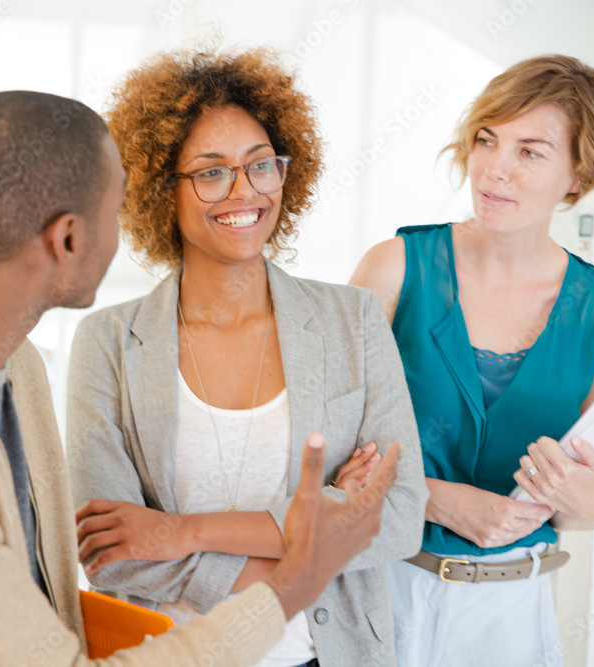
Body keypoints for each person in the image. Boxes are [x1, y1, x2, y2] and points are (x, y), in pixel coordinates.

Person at [0, 90, 402, 666]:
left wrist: (189, 537)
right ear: (69, 238)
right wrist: (296, 578)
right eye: (116, 208)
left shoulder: (17, 366)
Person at [65, 48, 429, 667]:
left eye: (261, 165)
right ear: (161, 189)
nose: (244, 191)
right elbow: (112, 552)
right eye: (211, 173)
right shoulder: (108, 343)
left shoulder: (353, 321)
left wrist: (180, 532)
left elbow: (397, 518)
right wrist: (301, 565)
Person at [350, 55, 594, 667]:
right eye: (487, 140)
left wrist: (578, 498)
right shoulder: (393, 268)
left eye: (531, 151)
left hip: (512, 617)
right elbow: (323, 443)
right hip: (379, 587)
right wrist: (433, 498)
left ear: (578, 175)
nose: (495, 169)